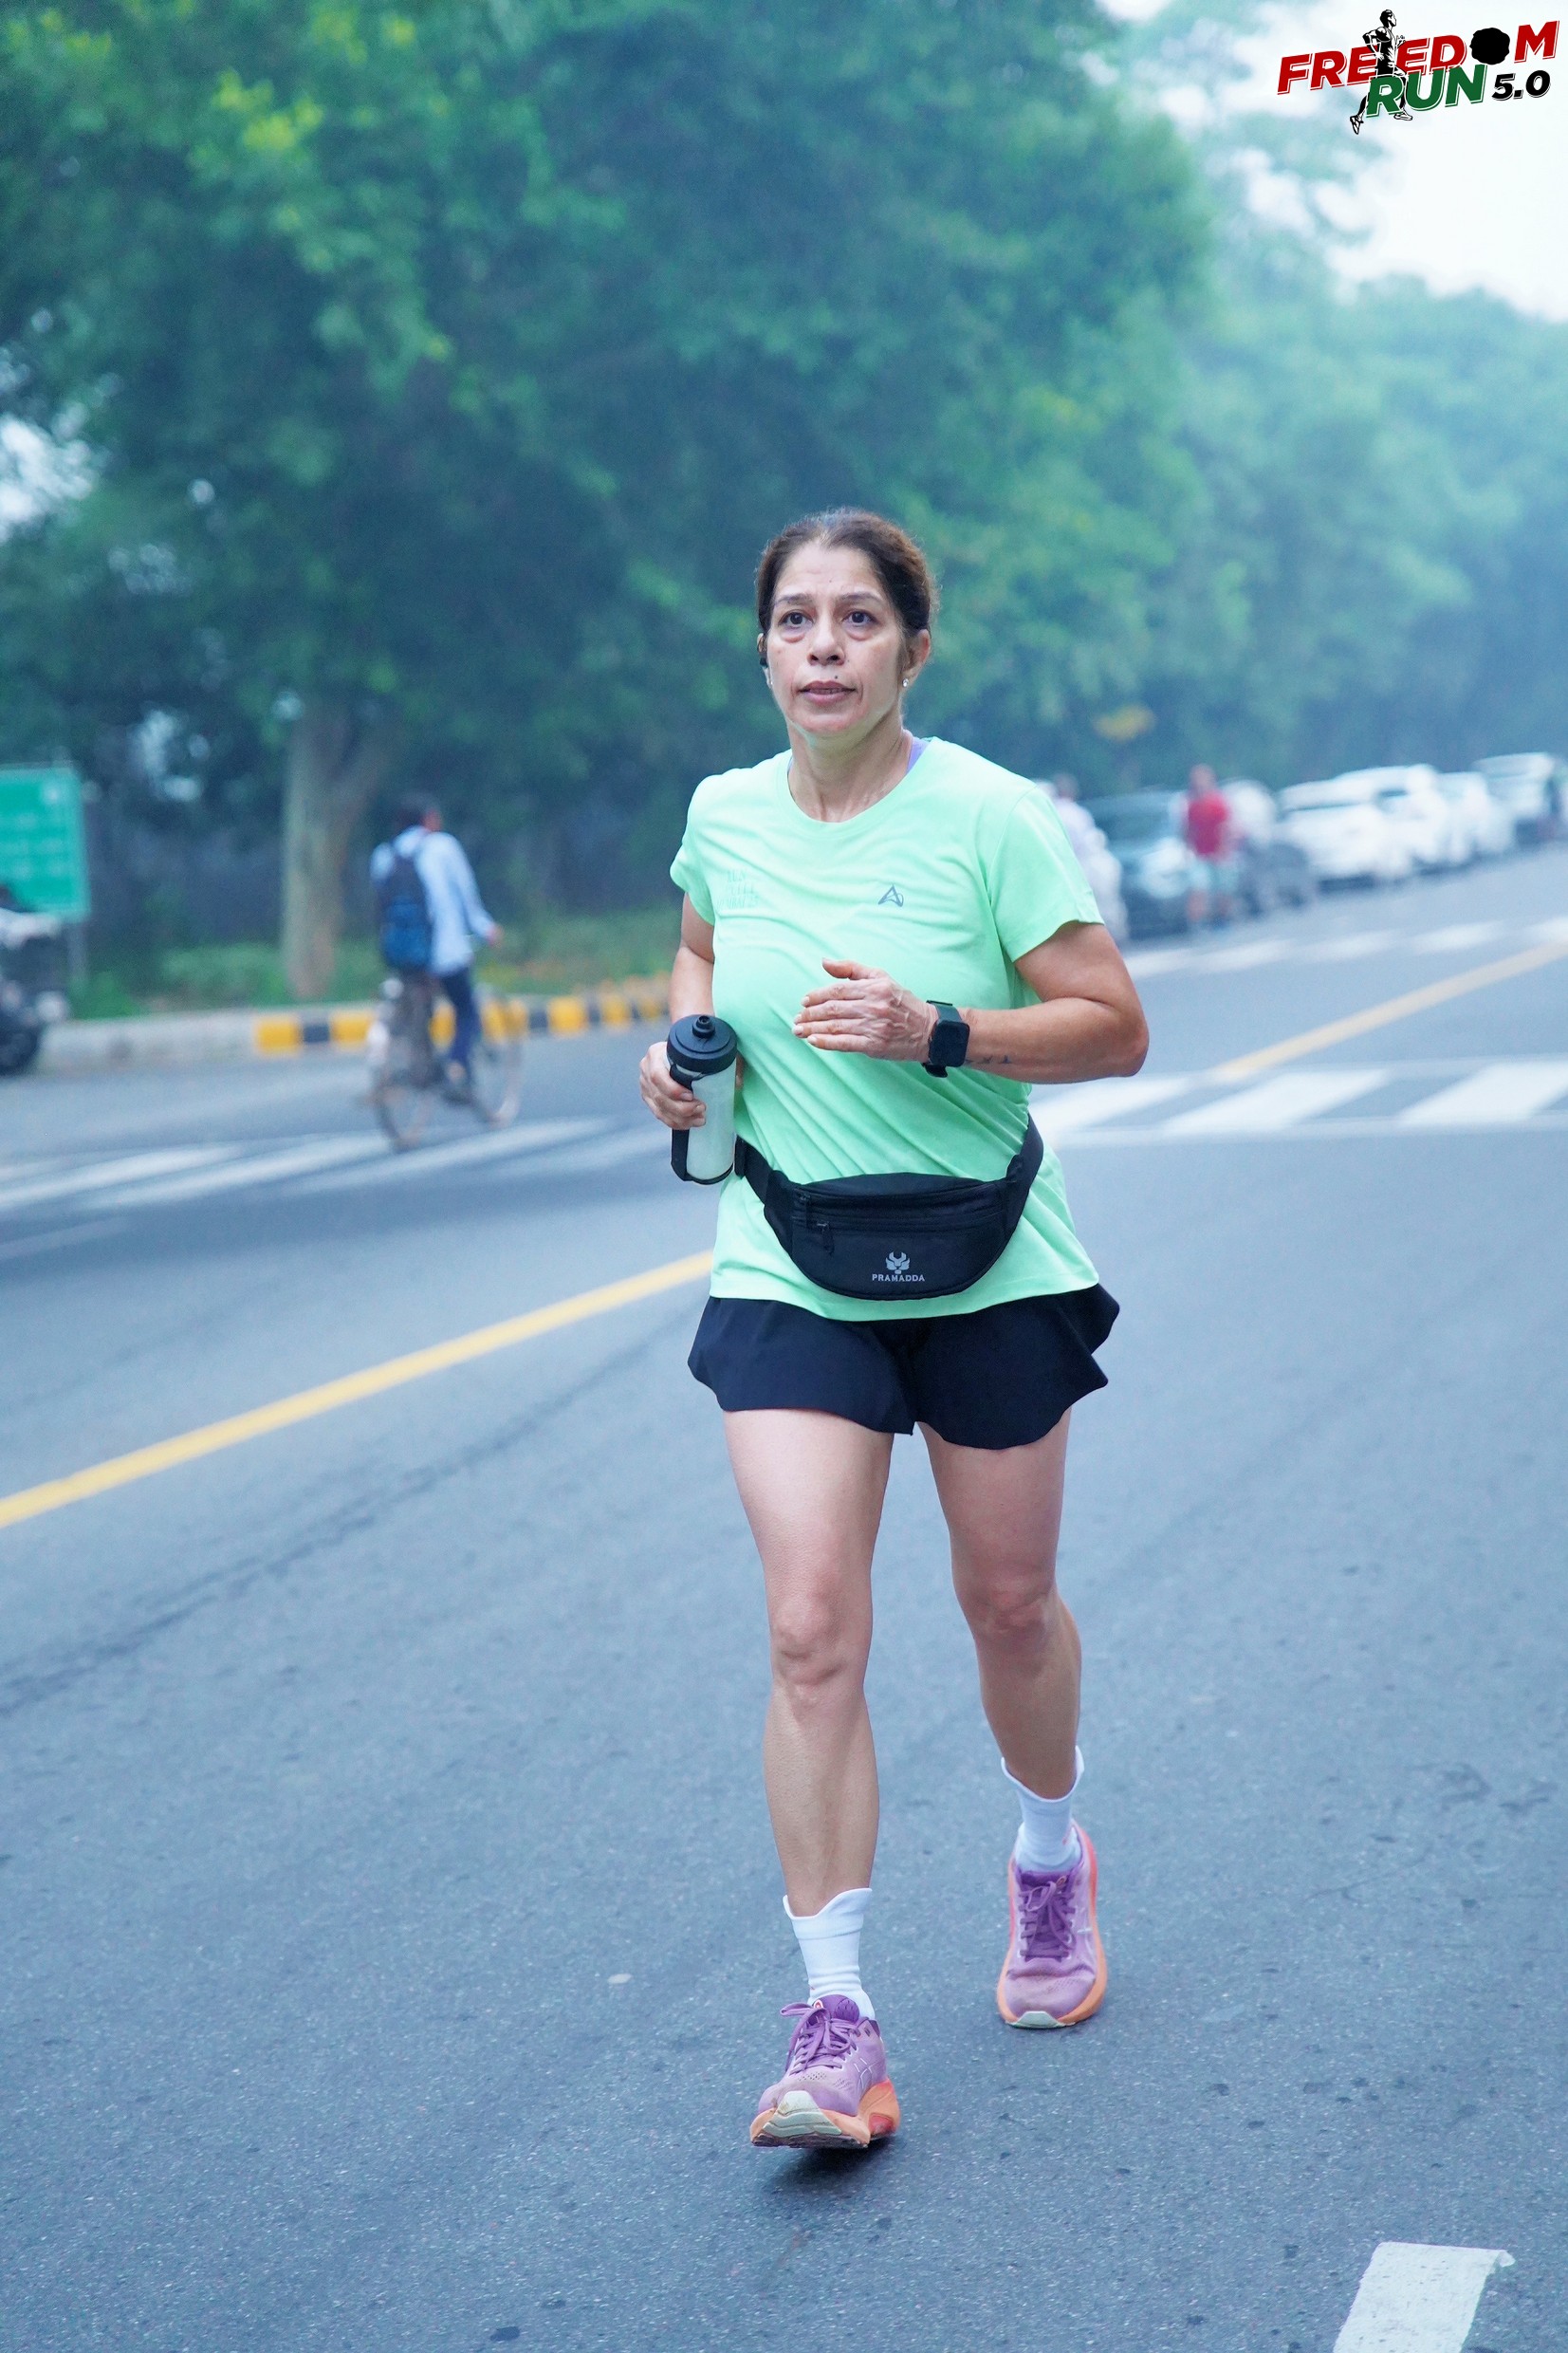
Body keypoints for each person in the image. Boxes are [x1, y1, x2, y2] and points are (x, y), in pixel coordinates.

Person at [638, 509, 1148, 2152]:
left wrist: (939, 1030)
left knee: (1007, 1606)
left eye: (857, 619)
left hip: (985, 1260)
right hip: (788, 1259)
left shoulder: (988, 815)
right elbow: (699, 954)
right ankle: (834, 2018)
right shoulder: (721, 814)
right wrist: (680, 1057)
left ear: (910, 650)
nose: (823, 647)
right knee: (808, 1627)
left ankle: (1048, 1857)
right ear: (763, 649)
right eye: (795, 618)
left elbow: (1113, 1027)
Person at [370, 798, 501, 1091]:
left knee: (419, 1000)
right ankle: (457, 1069)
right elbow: (467, 896)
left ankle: (419, 1059)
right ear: (429, 820)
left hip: (400, 952)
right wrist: (485, 929)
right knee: (466, 1008)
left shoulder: (384, 854)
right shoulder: (443, 847)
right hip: (443, 952)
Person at [1183, 764, 1236, 927]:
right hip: (1201, 854)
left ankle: (1223, 918)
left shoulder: (1218, 803)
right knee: (1198, 888)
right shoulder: (1193, 806)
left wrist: (1223, 850)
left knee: (1224, 889)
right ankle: (1197, 923)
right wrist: (1188, 849)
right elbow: (1190, 829)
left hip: (1219, 854)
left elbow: (1225, 829)